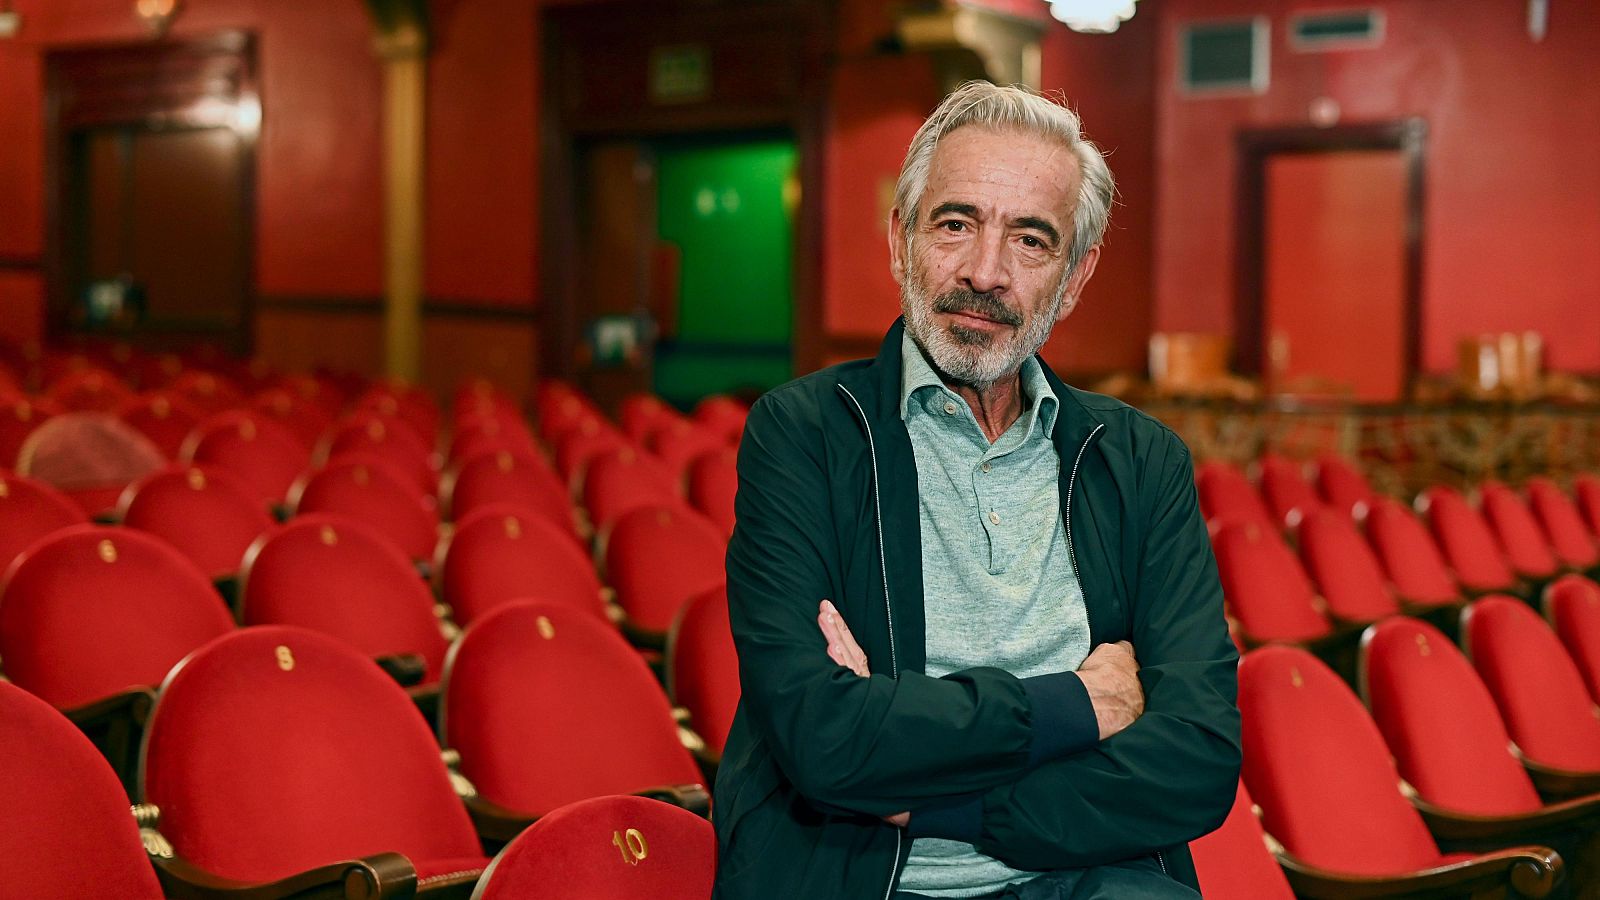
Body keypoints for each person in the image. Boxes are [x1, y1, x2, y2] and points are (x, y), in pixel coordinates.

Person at [713, 81, 1239, 900]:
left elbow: (1198, 762)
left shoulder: (1140, 462)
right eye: (955, 225)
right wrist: (1076, 706)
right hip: (864, 882)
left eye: (1031, 240)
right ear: (900, 240)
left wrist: (940, 801)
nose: (985, 273)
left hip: (1095, 878)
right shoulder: (803, 437)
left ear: (1074, 276)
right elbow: (823, 741)